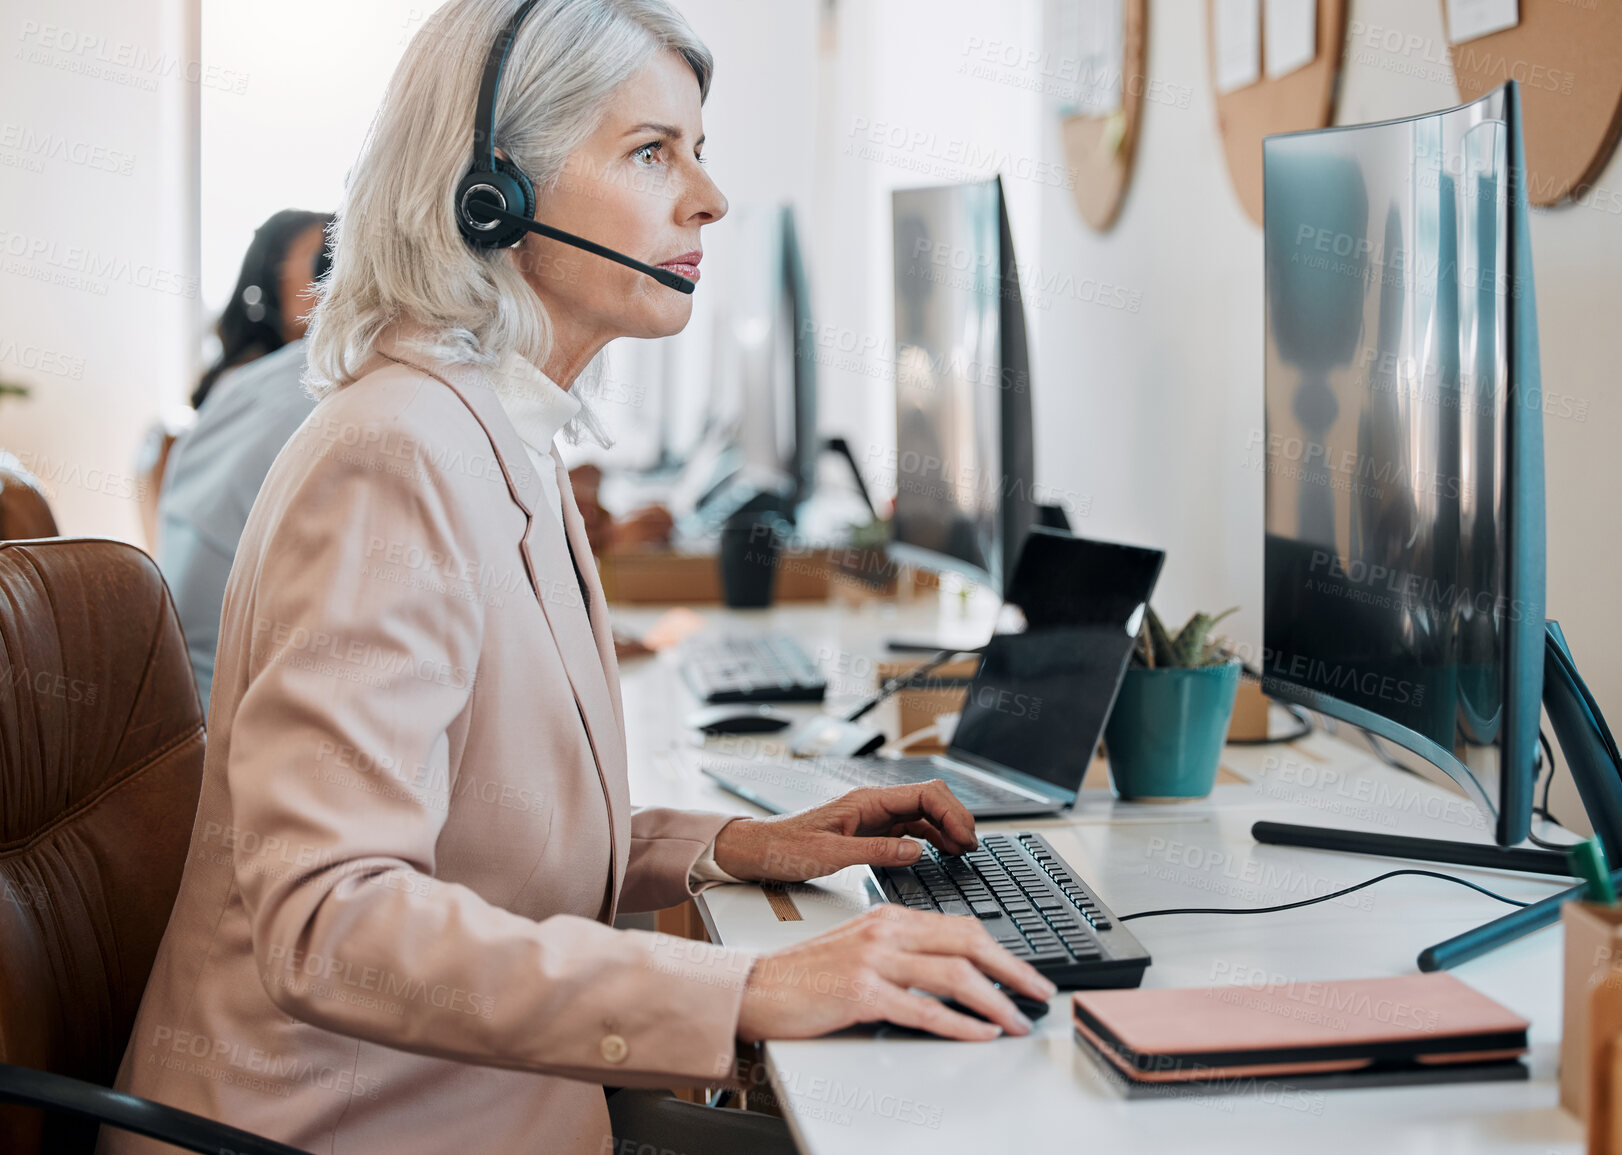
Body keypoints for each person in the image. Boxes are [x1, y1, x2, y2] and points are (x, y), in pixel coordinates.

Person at [100, 4, 1053, 1154]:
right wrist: (742, 993)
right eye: (653, 152)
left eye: (696, 152)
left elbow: (486, 834)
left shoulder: (499, 433)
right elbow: (328, 918)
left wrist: (739, 845)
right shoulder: (392, 457)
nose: (708, 198)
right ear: (492, 192)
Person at [155, 210, 333, 709]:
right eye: (322, 266)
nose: (336, 284)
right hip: (213, 707)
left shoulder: (269, 389)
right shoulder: (293, 391)